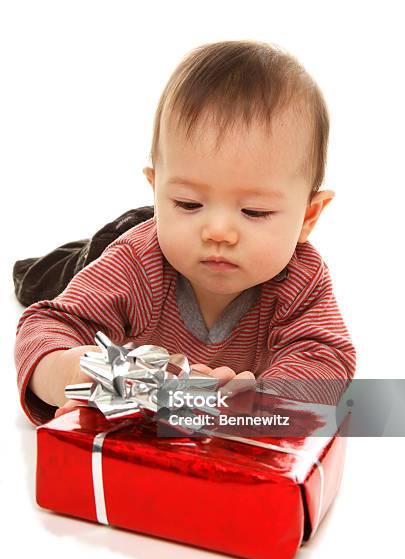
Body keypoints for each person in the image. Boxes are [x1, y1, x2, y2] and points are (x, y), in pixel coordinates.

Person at [14, 39, 357, 426]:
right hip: (115, 243)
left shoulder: (301, 282)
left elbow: (326, 358)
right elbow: (46, 326)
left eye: (254, 211)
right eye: (188, 203)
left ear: (308, 217)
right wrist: (72, 371)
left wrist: (262, 405)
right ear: (157, 190)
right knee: (49, 276)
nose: (218, 231)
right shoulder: (135, 263)